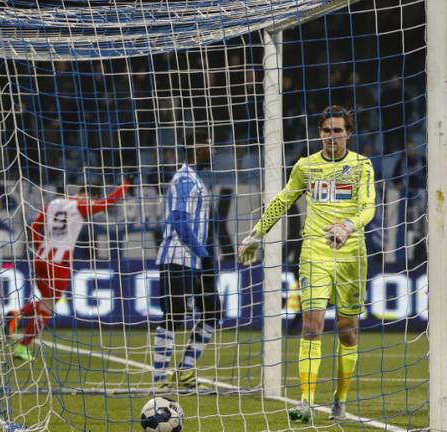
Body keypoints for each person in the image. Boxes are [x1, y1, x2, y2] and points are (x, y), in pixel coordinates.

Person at [238, 105, 376, 423]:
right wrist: (256, 234)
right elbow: (283, 200)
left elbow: (369, 207)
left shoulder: (362, 166)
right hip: (314, 251)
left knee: (347, 331)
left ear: (348, 133)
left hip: (352, 256)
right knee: (312, 326)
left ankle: (340, 400)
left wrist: (347, 226)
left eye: (338, 131)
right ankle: (306, 402)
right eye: (326, 131)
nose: (332, 136)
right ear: (319, 133)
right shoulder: (306, 166)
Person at [8, 180, 130, 361]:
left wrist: (38, 247)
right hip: (59, 264)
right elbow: (107, 203)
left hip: (40, 259)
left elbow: (34, 227)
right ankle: (22, 347)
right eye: (91, 199)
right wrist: (125, 186)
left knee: (45, 302)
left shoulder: (54, 203)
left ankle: (17, 314)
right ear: (88, 196)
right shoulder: (80, 207)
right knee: (48, 307)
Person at [152, 130, 219, 388]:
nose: (213, 152)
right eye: (210, 146)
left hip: (193, 260)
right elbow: (179, 221)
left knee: (212, 312)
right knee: (174, 316)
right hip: (177, 257)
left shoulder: (195, 179)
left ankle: (186, 372)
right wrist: (204, 254)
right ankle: (159, 380)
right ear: (197, 148)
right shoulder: (184, 178)